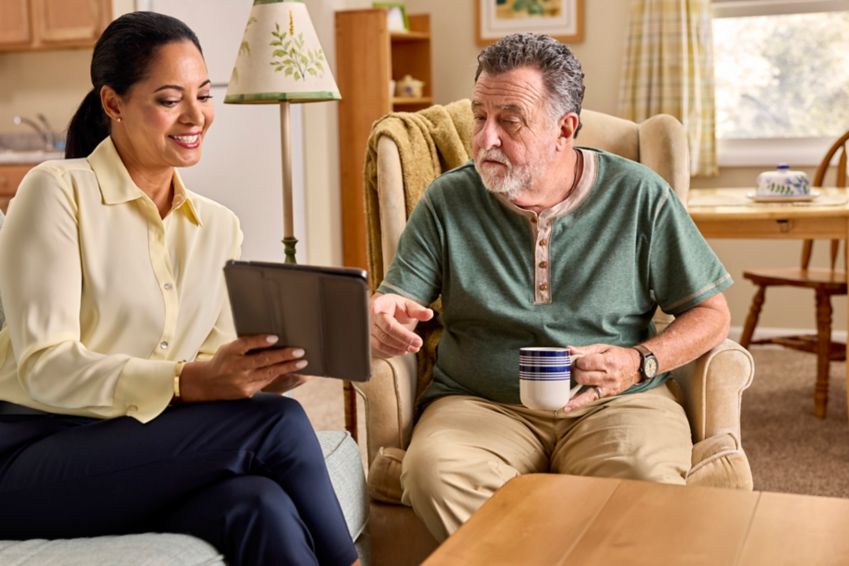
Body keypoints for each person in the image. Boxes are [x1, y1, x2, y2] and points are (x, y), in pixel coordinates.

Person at [0, 12, 358, 566]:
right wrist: (187, 380)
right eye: (170, 99)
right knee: (278, 423)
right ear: (113, 103)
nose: (196, 116)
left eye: (204, 95)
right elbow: (44, 365)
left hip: (141, 447)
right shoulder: (57, 191)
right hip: (31, 453)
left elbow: (208, 365)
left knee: (258, 503)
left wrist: (264, 374)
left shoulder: (218, 226)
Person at [370, 32, 732, 542]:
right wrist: (384, 314)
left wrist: (639, 363)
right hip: (479, 404)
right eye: (479, 117)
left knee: (645, 481)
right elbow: (398, 298)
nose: (485, 139)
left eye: (509, 121)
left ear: (565, 129)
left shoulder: (640, 194)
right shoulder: (447, 200)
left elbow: (712, 313)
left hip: (616, 402)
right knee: (434, 473)